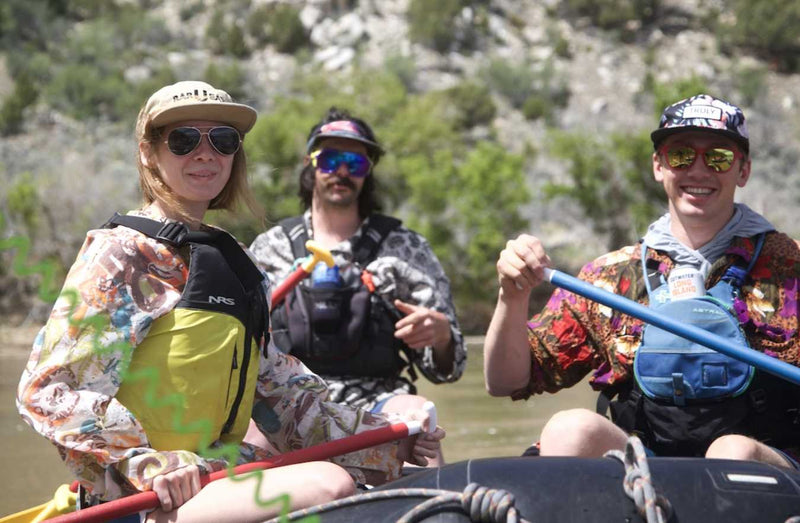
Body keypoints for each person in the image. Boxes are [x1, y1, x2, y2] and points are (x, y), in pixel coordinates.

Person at [17, 81, 442, 523]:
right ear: (148, 152)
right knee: (328, 485)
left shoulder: (240, 265)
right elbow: (46, 391)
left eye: (223, 140)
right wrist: (145, 462)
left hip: (217, 477)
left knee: (384, 482)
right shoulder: (121, 256)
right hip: (138, 499)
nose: (206, 154)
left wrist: (385, 440)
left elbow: (281, 396)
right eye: (184, 140)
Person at [484, 93, 800, 469]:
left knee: (732, 452)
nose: (698, 171)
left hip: (763, 467)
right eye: (681, 155)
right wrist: (512, 295)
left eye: (718, 157)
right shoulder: (610, 276)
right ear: (658, 166)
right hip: (648, 467)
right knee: (570, 430)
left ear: (743, 171)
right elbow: (505, 381)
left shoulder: (790, 267)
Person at [248, 107, 466, 466]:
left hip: (378, 397)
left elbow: (448, 368)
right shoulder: (268, 249)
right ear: (311, 163)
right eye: (332, 160)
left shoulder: (404, 248)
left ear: (369, 172)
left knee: (418, 419)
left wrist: (440, 335)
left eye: (356, 163)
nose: (343, 172)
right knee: (250, 436)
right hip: (285, 402)